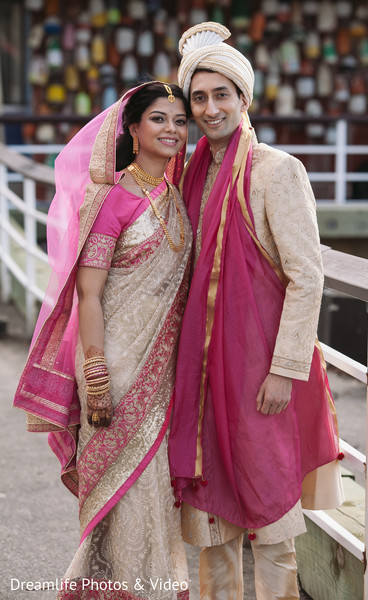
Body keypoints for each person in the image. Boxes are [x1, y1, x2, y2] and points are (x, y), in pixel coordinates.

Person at [168, 22, 345, 600]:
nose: (211, 108)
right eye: (200, 97)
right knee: (210, 523)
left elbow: (306, 274)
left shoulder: (276, 170)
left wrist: (283, 369)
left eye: (223, 95)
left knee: (271, 522)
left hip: (260, 371)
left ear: (245, 99)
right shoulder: (192, 176)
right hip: (203, 371)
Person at [13, 81, 192, 600]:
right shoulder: (111, 199)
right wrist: (95, 376)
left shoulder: (174, 197)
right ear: (133, 129)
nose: (173, 130)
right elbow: (88, 296)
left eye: (180, 121)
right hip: (113, 365)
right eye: (159, 119)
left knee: (153, 493)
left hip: (159, 370)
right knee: (125, 493)